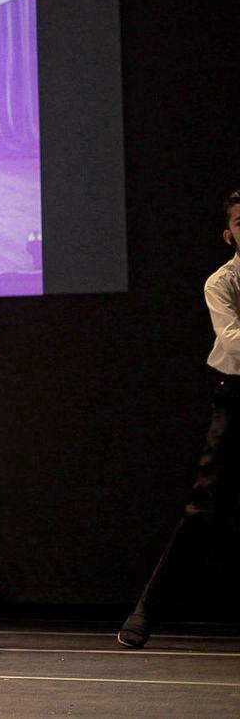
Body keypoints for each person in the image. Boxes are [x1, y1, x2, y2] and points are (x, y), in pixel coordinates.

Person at [118, 189, 240, 648]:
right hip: (237, 398)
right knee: (202, 510)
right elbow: (233, 341)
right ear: (229, 234)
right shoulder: (222, 282)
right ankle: (147, 610)